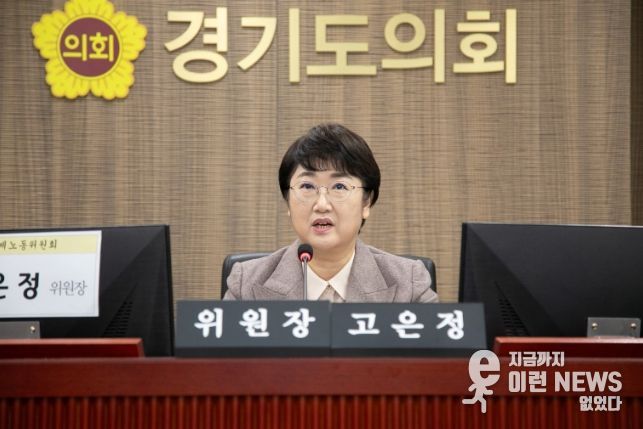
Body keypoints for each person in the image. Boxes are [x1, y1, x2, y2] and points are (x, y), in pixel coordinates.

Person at [224, 123, 438, 303]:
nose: (322, 204)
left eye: (339, 187)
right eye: (307, 186)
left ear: (366, 202)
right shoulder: (246, 285)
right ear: (288, 201)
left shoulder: (409, 284)